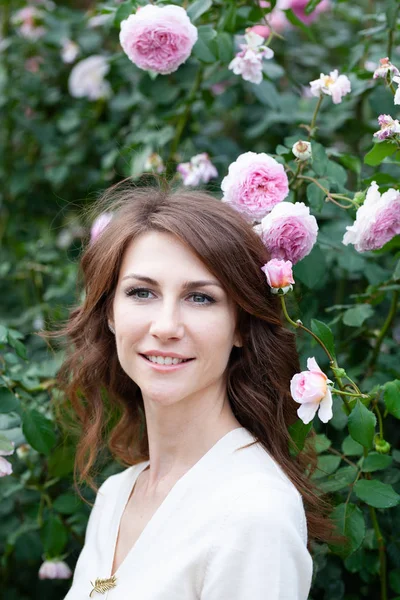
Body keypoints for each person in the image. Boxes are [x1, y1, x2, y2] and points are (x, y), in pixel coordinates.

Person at [58, 183, 338, 600]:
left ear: (241, 325)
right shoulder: (117, 496)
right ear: (110, 313)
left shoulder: (253, 512)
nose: (166, 326)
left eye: (200, 298)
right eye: (142, 292)